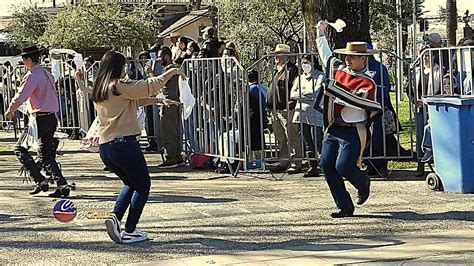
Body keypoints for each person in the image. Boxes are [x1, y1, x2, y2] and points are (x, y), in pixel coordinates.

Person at [76, 50, 184, 244]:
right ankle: (131, 229)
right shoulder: (119, 85)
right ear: (118, 67)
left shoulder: (102, 88)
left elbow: (136, 100)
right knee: (143, 185)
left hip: (107, 147)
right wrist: (172, 71)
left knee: (131, 183)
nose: (126, 68)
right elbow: (149, 86)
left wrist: (159, 100)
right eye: (124, 64)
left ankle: (115, 217)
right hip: (124, 144)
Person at [316, 21, 381, 218]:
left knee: (343, 165)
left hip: (354, 130)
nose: (347, 60)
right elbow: (326, 57)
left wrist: (334, 91)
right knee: (326, 165)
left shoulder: (369, 81)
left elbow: (359, 101)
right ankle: (344, 206)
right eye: (346, 56)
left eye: (351, 56)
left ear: (363, 58)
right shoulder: (340, 71)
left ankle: (363, 183)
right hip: (335, 127)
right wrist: (320, 35)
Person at [5, 45, 72, 197]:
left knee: (20, 149)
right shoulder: (47, 73)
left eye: (23, 60)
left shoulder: (32, 75)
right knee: (46, 154)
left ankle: (40, 179)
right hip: (50, 117)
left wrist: (10, 109)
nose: (23, 63)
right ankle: (62, 184)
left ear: (28, 59)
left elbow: (22, 94)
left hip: (39, 118)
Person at [266, 44, 301, 174]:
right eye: (275, 54)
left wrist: (290, 106)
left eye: (278, 54)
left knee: (291, 136)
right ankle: (284, 161)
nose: (275, 56)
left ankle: (296, 162)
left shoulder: (292, 70)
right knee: (281, 137)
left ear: (286, 55)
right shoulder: (277, 70)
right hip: (276, 110)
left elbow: (295, 90)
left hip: (287, 109)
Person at [289, 54, 325, 177]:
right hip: (301, 113)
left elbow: (316, 91)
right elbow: (292, 94)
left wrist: (302, 95)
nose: (304, 65)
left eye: (306, 62)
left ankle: (325, 164)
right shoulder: (299, 78)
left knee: (318, 139)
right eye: (302, 63)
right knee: (307, 141)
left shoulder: (320, 76)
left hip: (316, 112)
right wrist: (306, 96)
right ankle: (312, 166)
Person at [157, 47, 184, 168]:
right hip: (175, 100)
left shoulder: (170, 69)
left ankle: (171, 158)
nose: (159, 59)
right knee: (174, 130)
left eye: (160, 56)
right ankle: (177, 157)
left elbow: (159, 83)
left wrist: (150, 73)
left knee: (168, 130)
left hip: (169, 102)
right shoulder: (176, 67)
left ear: (166, 56)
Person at [248, 70, 268, 169]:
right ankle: (259, 163)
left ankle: (254, 163)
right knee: (259, 142)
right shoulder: (263, 88)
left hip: (253, 120)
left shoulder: (251, 89)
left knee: (254, 143)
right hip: (261, 118)